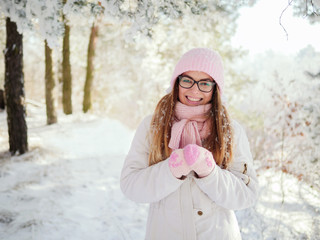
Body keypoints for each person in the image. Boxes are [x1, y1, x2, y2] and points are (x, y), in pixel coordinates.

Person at [120, 48, 259, 240]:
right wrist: (171, 170)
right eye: (187, 80)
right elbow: (131, 186)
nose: (194, 90)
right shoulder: (152, 125)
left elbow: (246, 195)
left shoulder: (230, 130)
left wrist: (210, 172)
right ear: (176, 82)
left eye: (204, 83)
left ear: (215, 88)